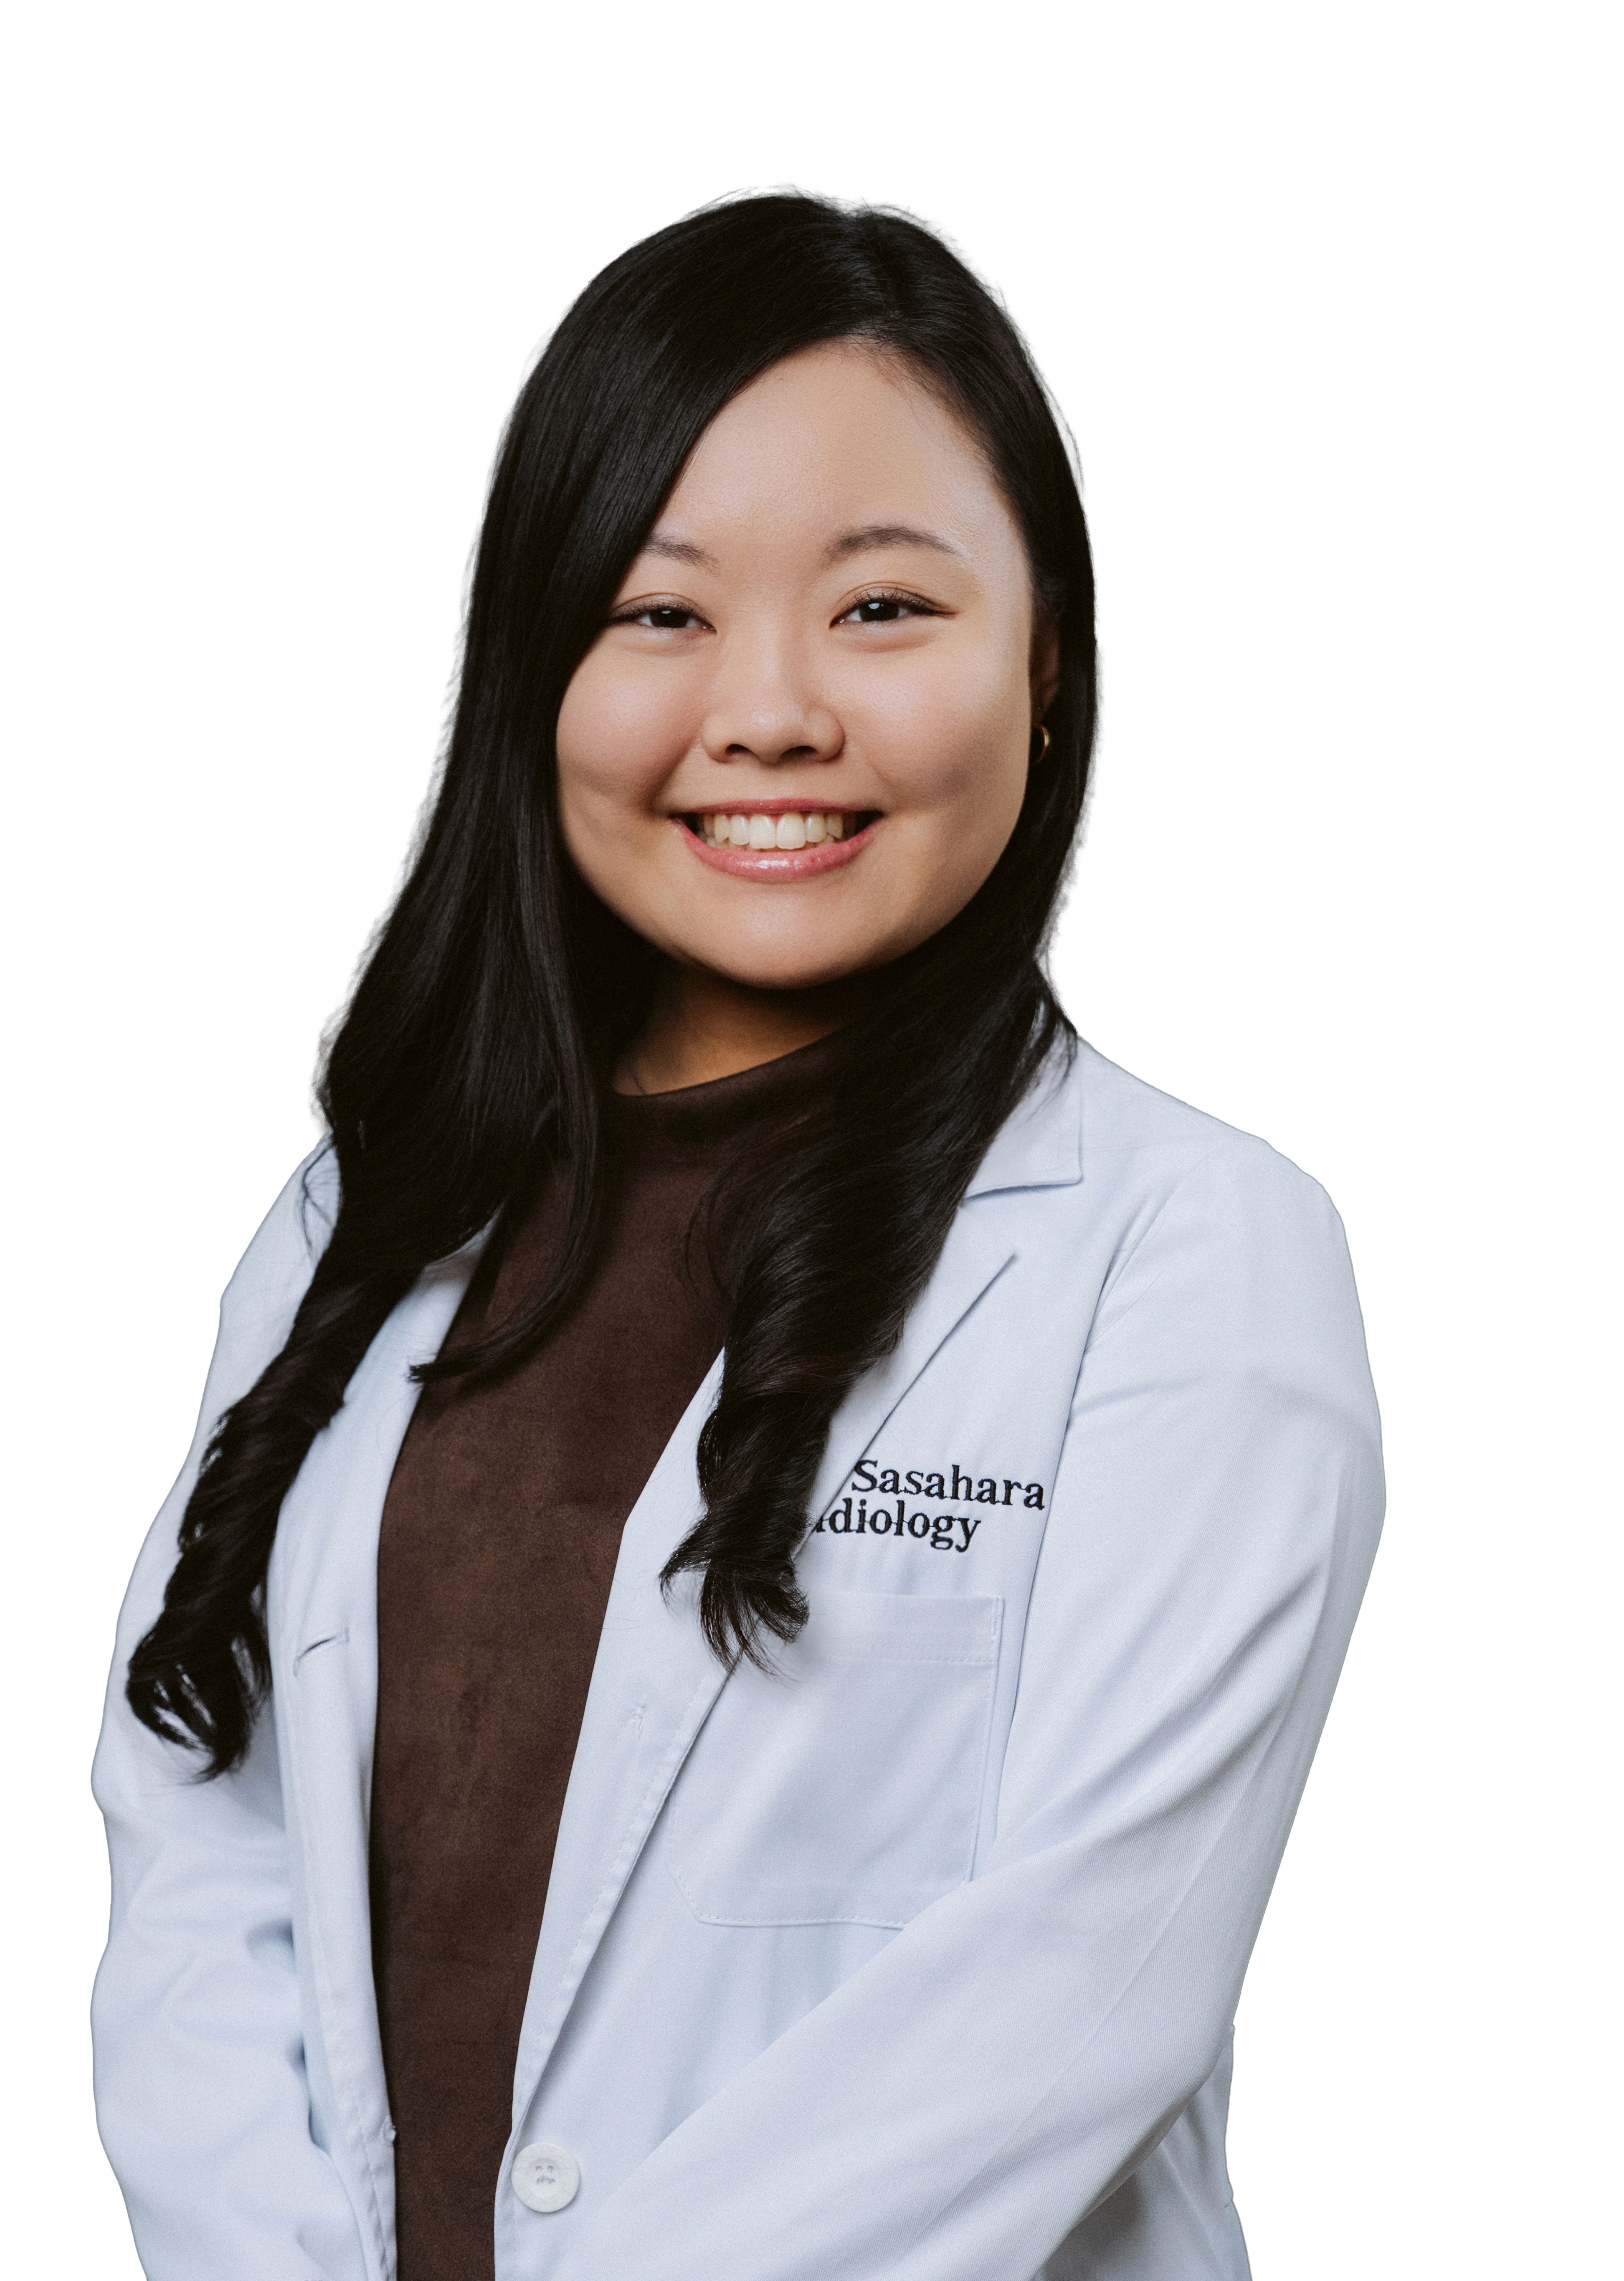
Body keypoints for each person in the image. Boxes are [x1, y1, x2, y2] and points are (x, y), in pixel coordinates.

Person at [92, 193, 1383, 2281]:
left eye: (881, 607)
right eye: (659, 610)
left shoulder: (1186, 1255)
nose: (769, 711)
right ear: (536, 669)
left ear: (1045, 662)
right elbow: (201, 1852)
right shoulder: (360, 1222)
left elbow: (1074, 1989)